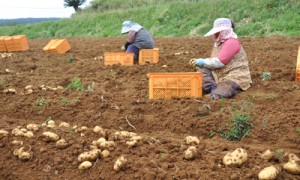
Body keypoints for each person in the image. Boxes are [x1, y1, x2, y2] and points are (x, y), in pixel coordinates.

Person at [190, 18, 252, 100]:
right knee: (202, 71)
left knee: (227, 86)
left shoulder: (232, 42)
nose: (216, 34)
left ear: (225, 31)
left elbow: (220, 62)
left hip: (234, 76)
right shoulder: (218, 44)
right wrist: (202, 64)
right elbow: (213, 60)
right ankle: (213, 88)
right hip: (219, 74)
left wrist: (203, 61)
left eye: (218, 31)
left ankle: (216, 95)